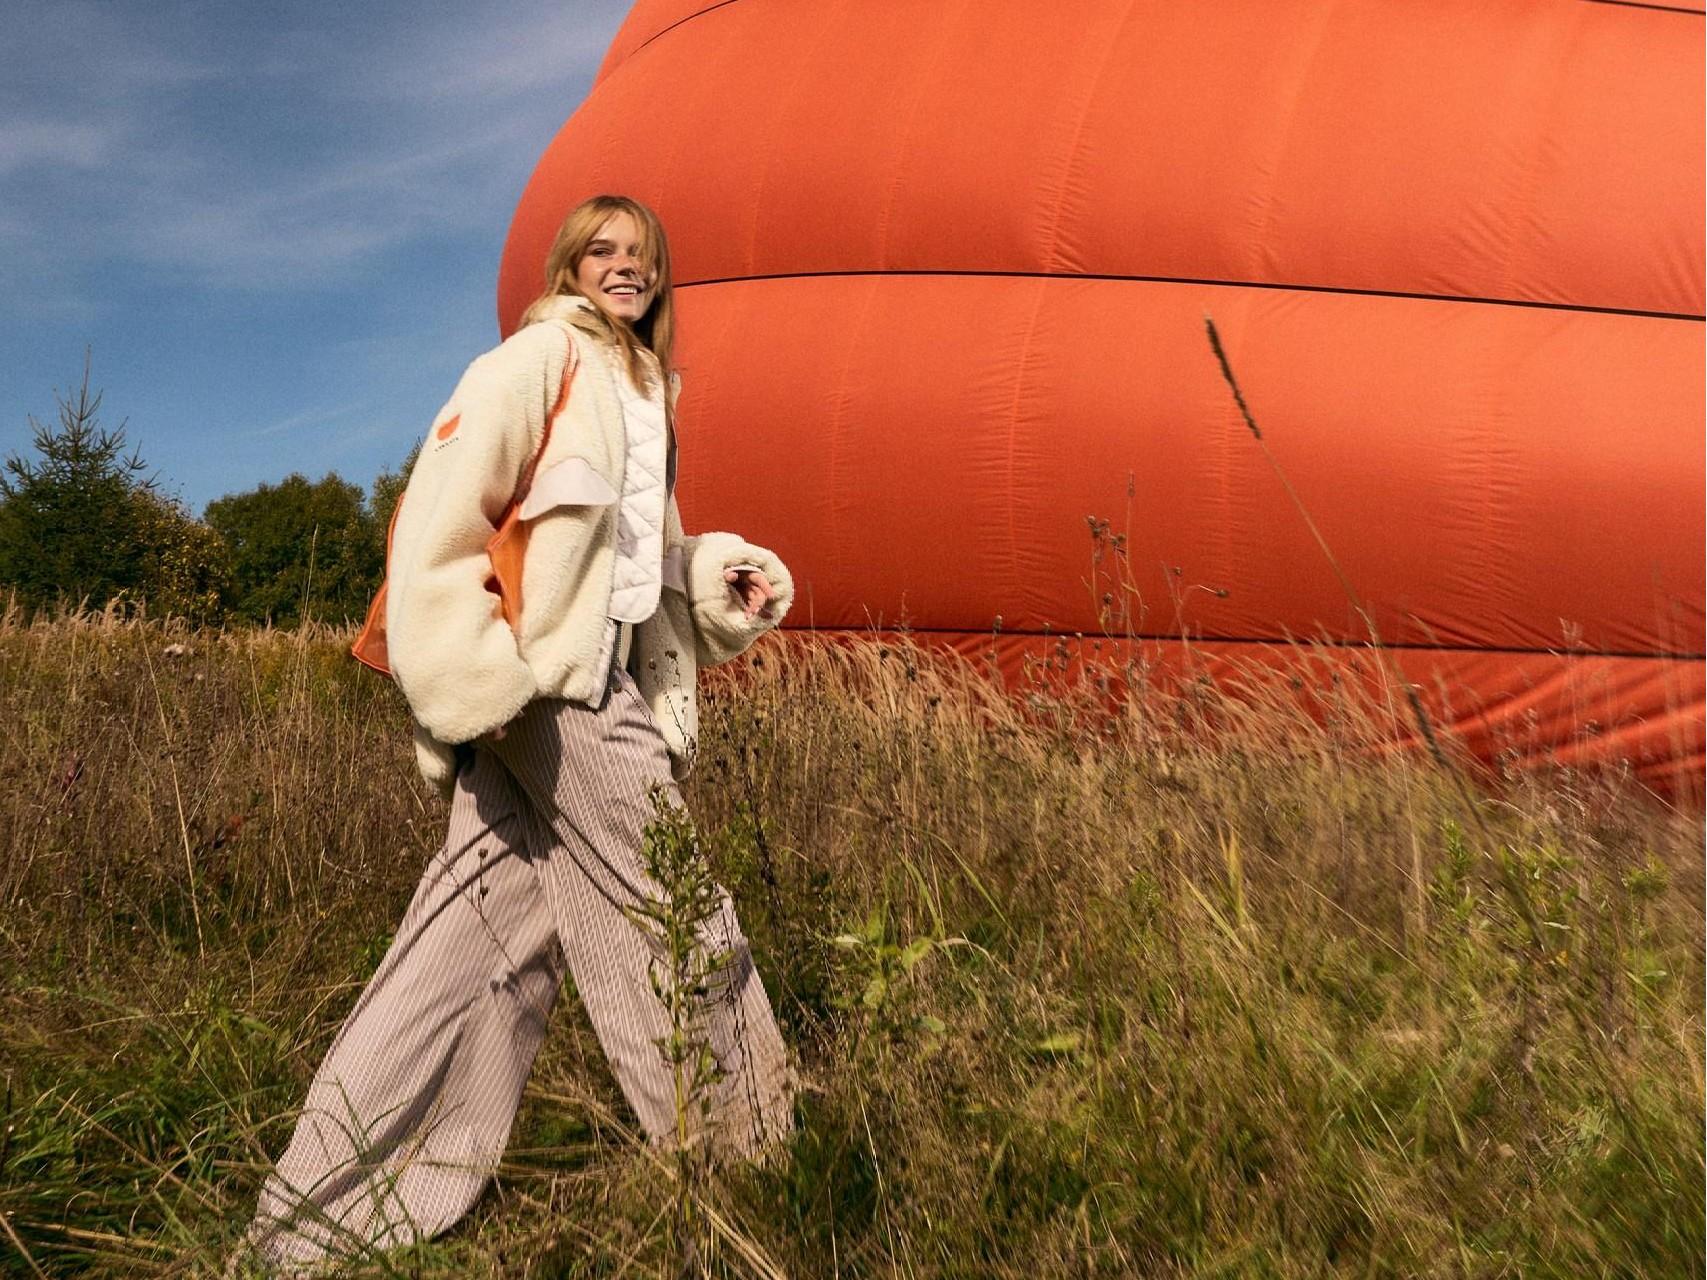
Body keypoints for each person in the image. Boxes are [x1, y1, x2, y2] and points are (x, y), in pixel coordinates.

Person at [240, 195, 795, 1270]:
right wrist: (482, 681)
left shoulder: (643, 392)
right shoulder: (535, 362)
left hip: (583, 676)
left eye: (643, 255)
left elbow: (619, 570)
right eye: (604, 251)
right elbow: (438, 522)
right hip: (552, 693)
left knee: (470, 947)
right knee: (675, 906)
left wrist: (712, 574)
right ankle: (756, 1164)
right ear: (569, 265)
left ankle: (322, 1218)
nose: (627, 267)